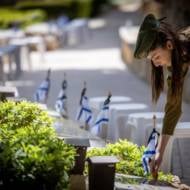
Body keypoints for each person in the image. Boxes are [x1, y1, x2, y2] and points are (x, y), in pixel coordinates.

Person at [134, 14, 190, 178]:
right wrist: (159, 152)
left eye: (156, 56)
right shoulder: (177, 62)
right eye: (152, 59)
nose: (156, 64)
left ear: (169, 45)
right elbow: (173, 108)